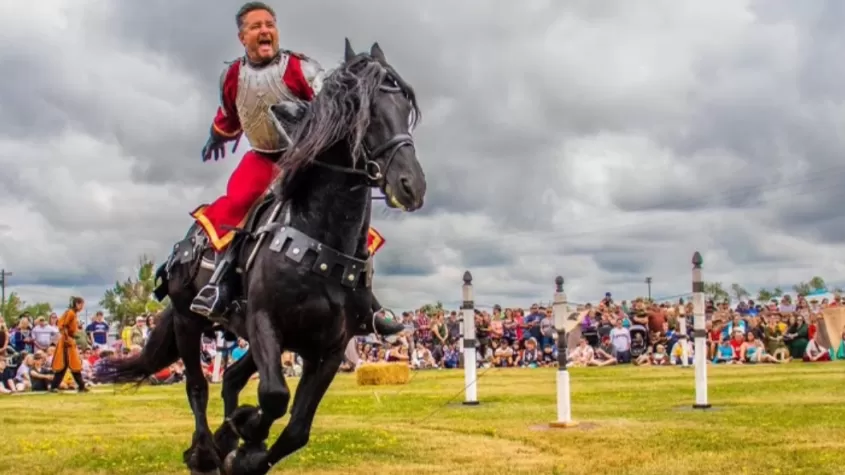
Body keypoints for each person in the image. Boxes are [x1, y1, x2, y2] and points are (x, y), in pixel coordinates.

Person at [187, 2, 400, 337]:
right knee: (235, 207)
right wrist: (217, 134)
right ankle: (220, 285)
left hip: (304, 156)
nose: (264, 31)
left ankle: (366, 304)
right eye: (256, 26)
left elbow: (330, 108)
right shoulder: (231, 76)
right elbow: (230, 113)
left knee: (342, 215)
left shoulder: (300, 68)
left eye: (269, 24)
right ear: (242, 37)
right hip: (261, 158)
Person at [49, 297, 88, 393]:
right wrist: (66, 338)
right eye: (82, 304)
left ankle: (55, 386)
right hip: (67, 341)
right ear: (77, 304)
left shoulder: (73, 314)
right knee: (70, 363)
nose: (82, 307)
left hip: (69, 340)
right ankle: (81, 386)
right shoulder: (70, 313)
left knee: (68, 364)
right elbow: (62, 325)